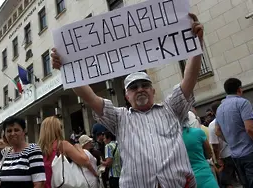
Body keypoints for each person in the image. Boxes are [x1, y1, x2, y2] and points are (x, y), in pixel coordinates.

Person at [51, 13, 204, 187]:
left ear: (153, 91)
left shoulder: (171, 109)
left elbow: (189, 81)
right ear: (126, 96)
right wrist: (67, 68)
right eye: (133, 87)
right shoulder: (119, 117)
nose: (140, 89)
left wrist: (196, 45)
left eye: (144, 85)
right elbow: (89, 97)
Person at [215, 78, 253, 188]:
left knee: (246, 184)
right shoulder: (242, 103)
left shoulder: (219, 109)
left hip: (235, 154)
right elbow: (250, 129)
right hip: (250, 151)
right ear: (239, 89)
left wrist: (230, 140)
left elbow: (217, 131)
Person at [38, 116, 98, 188]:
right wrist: (79, 148)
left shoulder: (40, 149)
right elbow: (85, 161)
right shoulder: (62, 145)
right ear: (57, 130)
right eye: (60, 127)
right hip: (63, 184)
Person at [0, 117, 45, 188]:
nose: (13, 133)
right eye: (9, 131)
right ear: (5, 134)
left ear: (24, 131)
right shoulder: (3, 153)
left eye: (16, 130)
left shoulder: (33, 150)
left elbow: (39, 184)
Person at [209, 101, 239, 188]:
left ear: (212, 112)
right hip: (237, 151)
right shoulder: (230, 118)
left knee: (227, 182)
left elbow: (215, 146)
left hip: (225, 156)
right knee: (242, 177)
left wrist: (218, 159)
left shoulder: (212, 125)